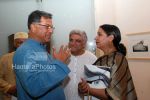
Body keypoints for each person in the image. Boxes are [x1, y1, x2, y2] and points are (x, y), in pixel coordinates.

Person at [13, 10, 71, 100]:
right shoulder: (25, 51)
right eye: (47, 27)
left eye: (52, 27)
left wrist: (55, 63)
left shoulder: (39, 49)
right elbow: (34, 87)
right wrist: (59, 64)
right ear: (33, 27)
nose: (51, 31)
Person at [78, 24, 137, 100]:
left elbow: (115, 94)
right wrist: (82, 86)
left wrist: (88, 89)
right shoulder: (102, 59)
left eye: (99, 34)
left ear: (110, 38)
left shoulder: (118, 58)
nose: (95, 38)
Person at [63, 29, 97, 100]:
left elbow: (96, 84)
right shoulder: (63, 56)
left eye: (77, 41)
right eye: (71, 40)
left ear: (84, 44)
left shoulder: (92, 59)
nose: (73, 43)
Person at [0, 32, 28, 100]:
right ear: (14, 44)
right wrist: (9, 88)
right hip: (11, 96)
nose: (22, 45)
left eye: (25, 43)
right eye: (19, 42)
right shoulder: (5, 58)